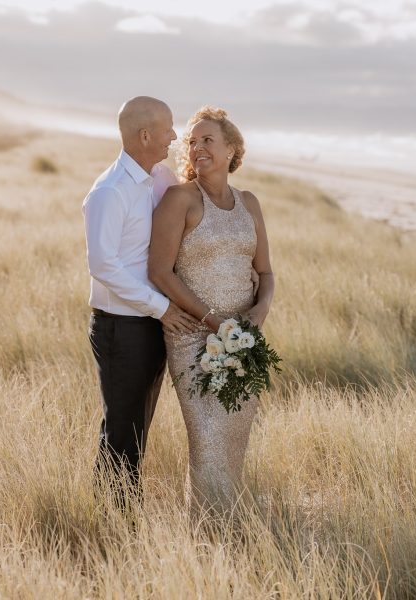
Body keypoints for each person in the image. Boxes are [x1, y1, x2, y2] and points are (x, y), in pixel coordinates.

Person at [148, 106, 275, 513]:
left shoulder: (249, 203)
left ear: (232, 148)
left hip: (241, 338)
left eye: (208, 140)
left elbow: (266, 273)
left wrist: (257, 315)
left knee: (234, 439)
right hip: (192, 337)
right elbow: (160, 271)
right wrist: (211, 320)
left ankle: (231, 528)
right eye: (192, 141)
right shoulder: (179, 199)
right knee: (207, 441)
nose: (197, 147)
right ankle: (203, 539)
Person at [82, 96, 196, 507]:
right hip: (121, 327)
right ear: (145, 135)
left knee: (138, 426)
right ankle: (116, 523)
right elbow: (103, 266)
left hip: (151, 323)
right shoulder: (109, 192)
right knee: (122, 431)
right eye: (168, 128)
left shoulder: (160, 177)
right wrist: (162, 307)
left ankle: (120, 515)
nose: (174, 135)